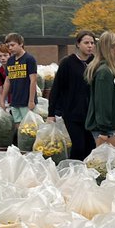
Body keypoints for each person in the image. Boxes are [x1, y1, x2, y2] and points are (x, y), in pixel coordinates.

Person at [47, 31, 96, 160]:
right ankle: (74, 173)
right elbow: (56, 88)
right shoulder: (68, 63)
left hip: (91, 114)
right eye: (86, 43)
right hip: (72, 113)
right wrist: (51, 113)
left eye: (92, 43)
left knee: (91, 147)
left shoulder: (95, 63)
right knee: (78, 146)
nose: (90, 46)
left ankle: (87, 175)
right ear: (78, 44)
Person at [84, 31, 115, 148]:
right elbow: (103, 103)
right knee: (107, 165)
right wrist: (104, 131)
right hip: (106, 131)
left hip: (113, 127)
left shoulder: (112, 70)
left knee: (114, 164)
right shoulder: (104, 73)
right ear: (111, 49)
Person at [0, 33, 38, 136]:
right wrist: (2, 99)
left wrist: (31, 100)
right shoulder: (10, 60)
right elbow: (7, 80)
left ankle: (29, 149)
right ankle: (21, 148)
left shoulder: (29, 59)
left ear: (21, 44)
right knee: (18, 126)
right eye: (8, 46)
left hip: (26, 100)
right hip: (14, 100)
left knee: (29, 128)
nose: (10, 48)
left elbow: (33, 80)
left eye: (12, 45)